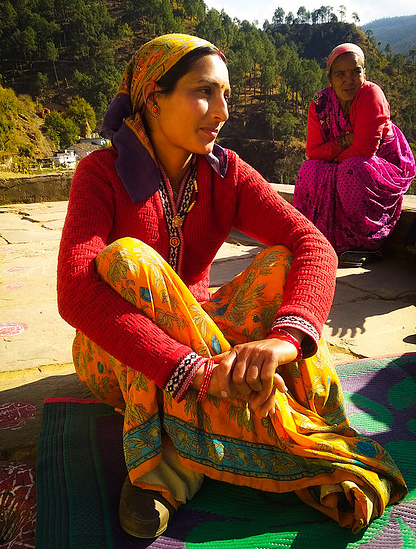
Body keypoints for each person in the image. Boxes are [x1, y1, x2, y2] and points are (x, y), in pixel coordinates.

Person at [57, 34, 406, 539]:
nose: (222, 111)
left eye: (226, 95)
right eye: (205, 92)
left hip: (204, 331)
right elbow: (76, 291)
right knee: (126, 260)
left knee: (281, 261)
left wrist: (280, 342)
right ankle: (163, 469)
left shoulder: (227, 173)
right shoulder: (100, 176)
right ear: (154, 99)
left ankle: (209, 431)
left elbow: (315, 245)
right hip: (117, 355)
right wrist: (193, 370)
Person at [293, 43, 415, 266]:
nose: (348, 80)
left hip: (383, 165)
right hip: (344, 162)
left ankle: (365, 244)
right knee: (309, 169)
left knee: (352, 169)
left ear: (364, 73)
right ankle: (317, 237)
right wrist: (345, 140)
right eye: (340, 74)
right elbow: (312, 152)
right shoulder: (321, 104)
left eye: (356, 72)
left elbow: (366, 150)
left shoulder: (371, 95)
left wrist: (333, 155)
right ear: (330, 79)